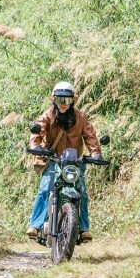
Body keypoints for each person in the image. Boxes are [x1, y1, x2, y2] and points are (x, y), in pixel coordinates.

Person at [26, 80, 102, 241]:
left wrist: (95, 154)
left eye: (66, 100)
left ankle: (83, 228)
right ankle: (35, 225)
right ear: (54, 99)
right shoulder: (48, 115)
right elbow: (38, 130)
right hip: (54, 160)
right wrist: (35, 145)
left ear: (73, 100)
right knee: (46, 188)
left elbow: (90, 136)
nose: (62, 104)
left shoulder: (80, 117)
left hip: (75, 162)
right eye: (59, 100)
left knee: (81, 192)